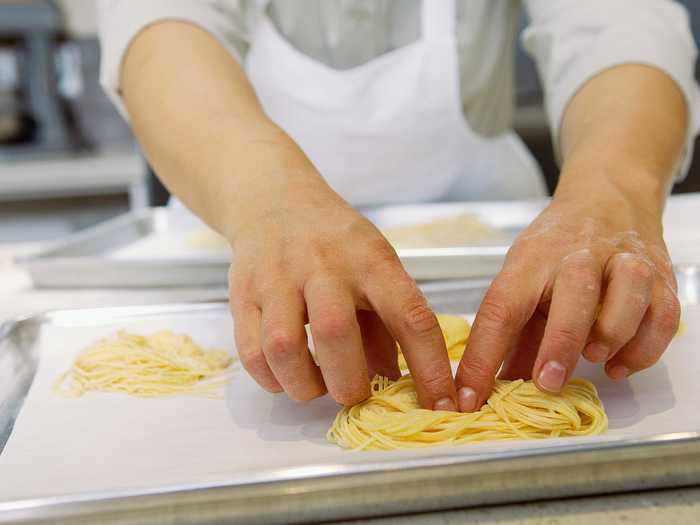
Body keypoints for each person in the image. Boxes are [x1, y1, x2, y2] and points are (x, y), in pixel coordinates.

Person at [98, 0, 699, 413]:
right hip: (241, 222)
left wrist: (612, 192)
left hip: (500, 249)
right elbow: (161, 29)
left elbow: (619, 24)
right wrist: (272, 204)